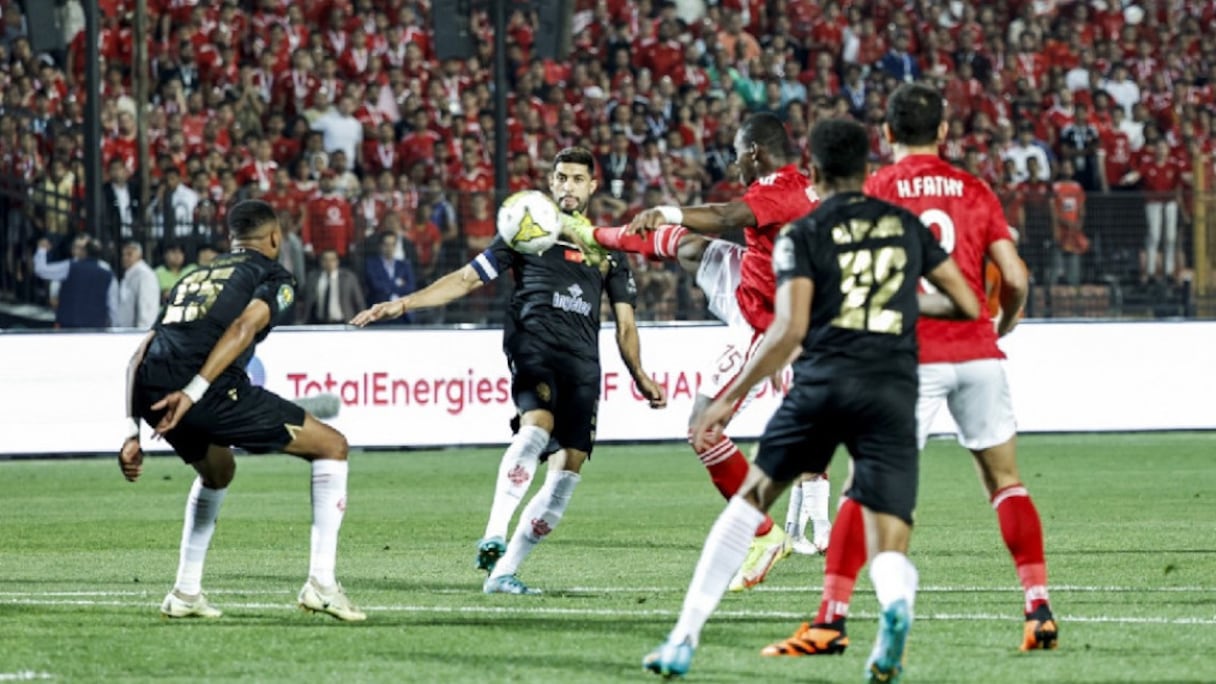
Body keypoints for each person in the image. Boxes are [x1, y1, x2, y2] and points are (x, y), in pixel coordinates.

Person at [643, 117, 979, 680]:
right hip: (890, 386)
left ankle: (683, 637)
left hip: (823, 379)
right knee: (885, 524)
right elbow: (967, 303)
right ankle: (893, 605)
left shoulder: (802, 231)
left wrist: (739, 392)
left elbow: (787, 328)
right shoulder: (899, 224)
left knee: (749, 506)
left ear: (815, 172)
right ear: (867, 172)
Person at [766, 82, 1053, 660]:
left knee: (864, 487)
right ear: (943, 132)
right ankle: (1038, 606)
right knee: (1005, 481)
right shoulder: (974, 189)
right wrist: (1002, 324)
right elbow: (1015, 278)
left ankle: (832, 618)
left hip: (904, 360)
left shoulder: (875, 189)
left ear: (888, 133)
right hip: (977, 352)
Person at [352, 147, 667, 595]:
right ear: (551, 182)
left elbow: (626, 323)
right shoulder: (526, 231)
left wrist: (639, 373)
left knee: (565, 477)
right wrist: (404, 302)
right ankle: (494, 532)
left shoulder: (609, 251)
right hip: (534, 344)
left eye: (578, 179)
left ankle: (503, 573)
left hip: (583, 365)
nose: (568, 186)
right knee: (536, 427)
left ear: (593, 186)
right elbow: (465, 278)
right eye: (561, 178)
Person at [565, 112, 830, 588]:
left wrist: (667, 210)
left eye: (735, 155)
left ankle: (764, 534)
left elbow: (729, 216)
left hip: (759, 321)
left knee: (703, 429)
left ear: (754, 153)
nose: (734, 165)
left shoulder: (778, 191)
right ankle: (594, 235)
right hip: (752, 277)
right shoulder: (801, 185)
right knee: (687, 248)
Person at [118, 199, 364, 622]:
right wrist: (195, 391)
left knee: (218, 471)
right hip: (203, 387)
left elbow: (139, 351)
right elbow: (243, 328)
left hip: (150, 386)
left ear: (232, 238)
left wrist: (130, 431)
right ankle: (322, 584)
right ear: (274, 238)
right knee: (332, 446)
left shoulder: (195, 276)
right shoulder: (272, 274)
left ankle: (186, 592)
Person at [34, 234, 118, 328]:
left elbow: (41, 270)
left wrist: (41, 250)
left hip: (70, 326)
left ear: (85, 251)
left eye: (81, 248)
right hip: (95, 328)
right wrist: (114, 329)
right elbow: (113, 306)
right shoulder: (108, 273)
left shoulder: (69, 267)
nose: (77, 250)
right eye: (76, 247)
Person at [299, 248, 366, 324]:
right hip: (319, 322)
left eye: (332, 260)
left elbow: (359, 301)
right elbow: (305, 300)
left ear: (337, 261)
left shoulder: (348, 278)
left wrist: (362, 320)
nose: (329, 263)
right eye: (325, 260)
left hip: (343, 321)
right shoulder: (313, 277)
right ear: (321, 262)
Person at [363, 231, 416, 323]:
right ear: (380, 246)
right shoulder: (371, 264)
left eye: (392, 245)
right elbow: (376, 286)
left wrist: (388, 285)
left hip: (402, 315)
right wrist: (397, 284)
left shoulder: (404, 265)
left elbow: (410, 287)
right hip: (380, 315)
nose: (389, 248)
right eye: (386, 244)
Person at [116, 240, 162, 329]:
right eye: (124, 255)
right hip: (126, 330)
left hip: (138, 332)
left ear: (139, 256)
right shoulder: (128, 275)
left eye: (129, 254)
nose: (125, 258)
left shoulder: (145, 275)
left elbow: (146, 306)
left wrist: (143, 331)